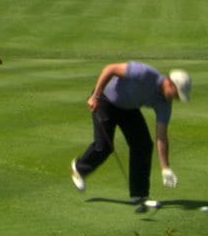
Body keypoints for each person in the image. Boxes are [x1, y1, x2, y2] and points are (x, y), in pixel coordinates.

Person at [70, 61, 191, 210]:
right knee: (104, 147)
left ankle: (140, 195)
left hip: (128, 109)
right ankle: (80, 168)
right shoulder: (144, 73)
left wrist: (165, 168)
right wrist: (96, 95)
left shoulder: (164, 103)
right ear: (170, 84)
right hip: (106, 100)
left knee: (143, 144)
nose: (176, 99)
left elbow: (161, 135)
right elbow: (110, 69)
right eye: (177, 94)